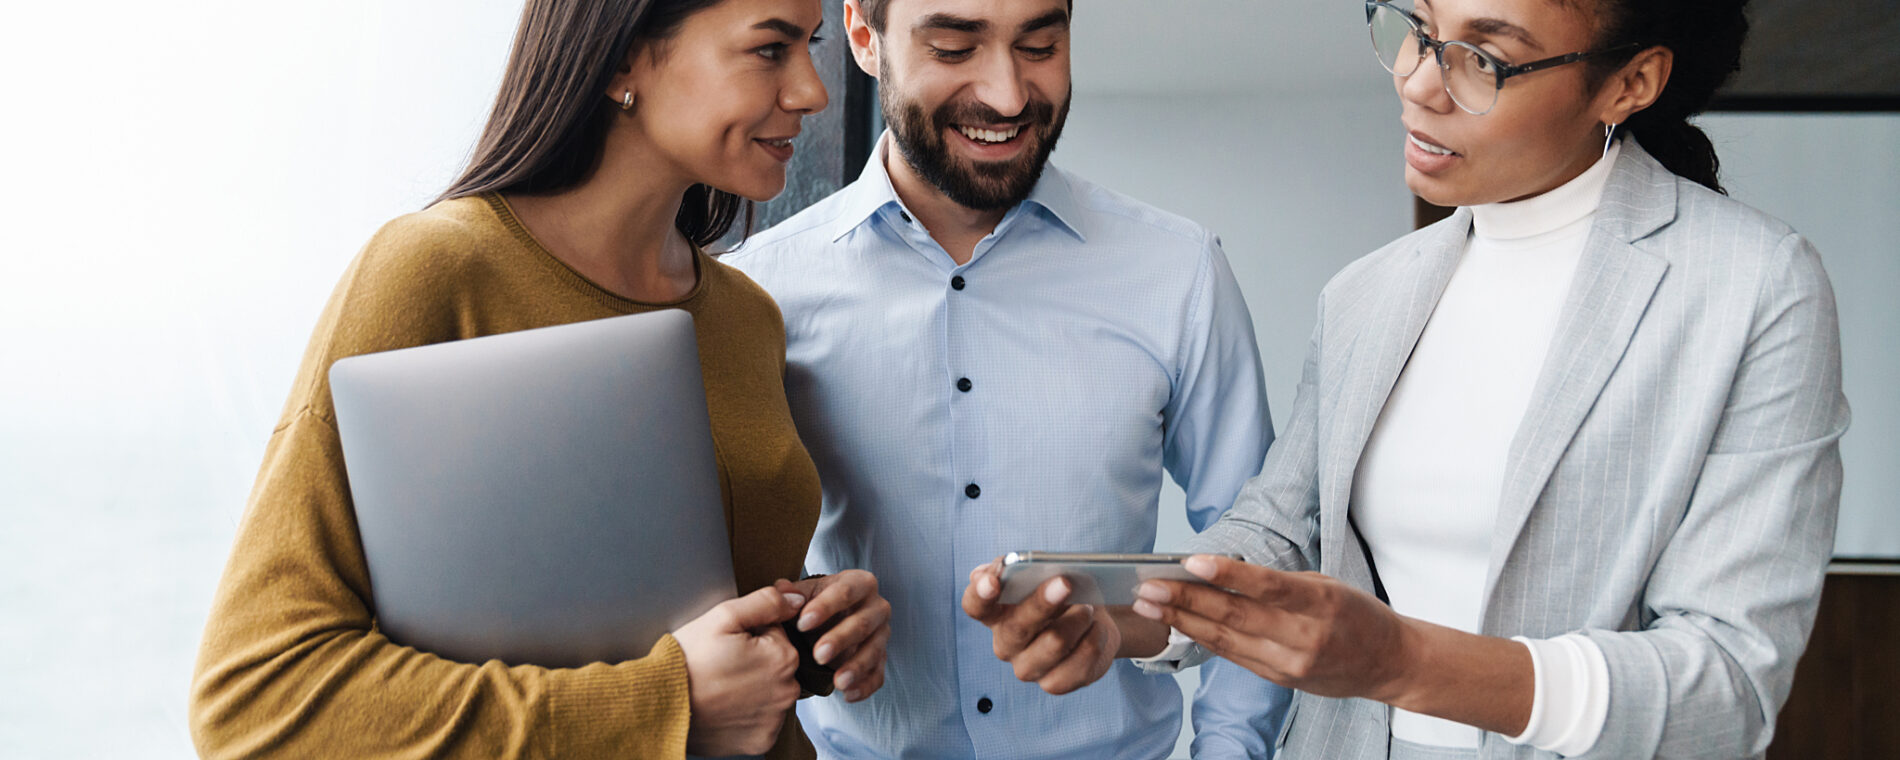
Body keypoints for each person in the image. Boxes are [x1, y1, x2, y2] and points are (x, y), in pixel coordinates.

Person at [968, 0, 1849, 757]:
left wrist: (1405, 665)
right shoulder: (1368, 293)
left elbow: (1729, 686)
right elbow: (1281, 531)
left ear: (1630, 83)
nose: (1419, 81)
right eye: (1420, 29)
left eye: (1483, 57)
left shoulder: (1752, 286)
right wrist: (1132, 617)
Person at [189, 1, 893, 758]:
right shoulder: (432, 273)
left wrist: (806, 634)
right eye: (770, 50)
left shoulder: (746, 317)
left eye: (811, 46)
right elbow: (253, 699)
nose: (813, 92)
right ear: (625, 58)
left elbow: (659, 612)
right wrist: (666, 702)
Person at [724, 0, 1291, 757]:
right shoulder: (758, 297)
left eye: (1040, 44)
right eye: (955, 47)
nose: (1008, 95)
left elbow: (1266, 558)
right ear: (865, 36)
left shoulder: (1179, 273)